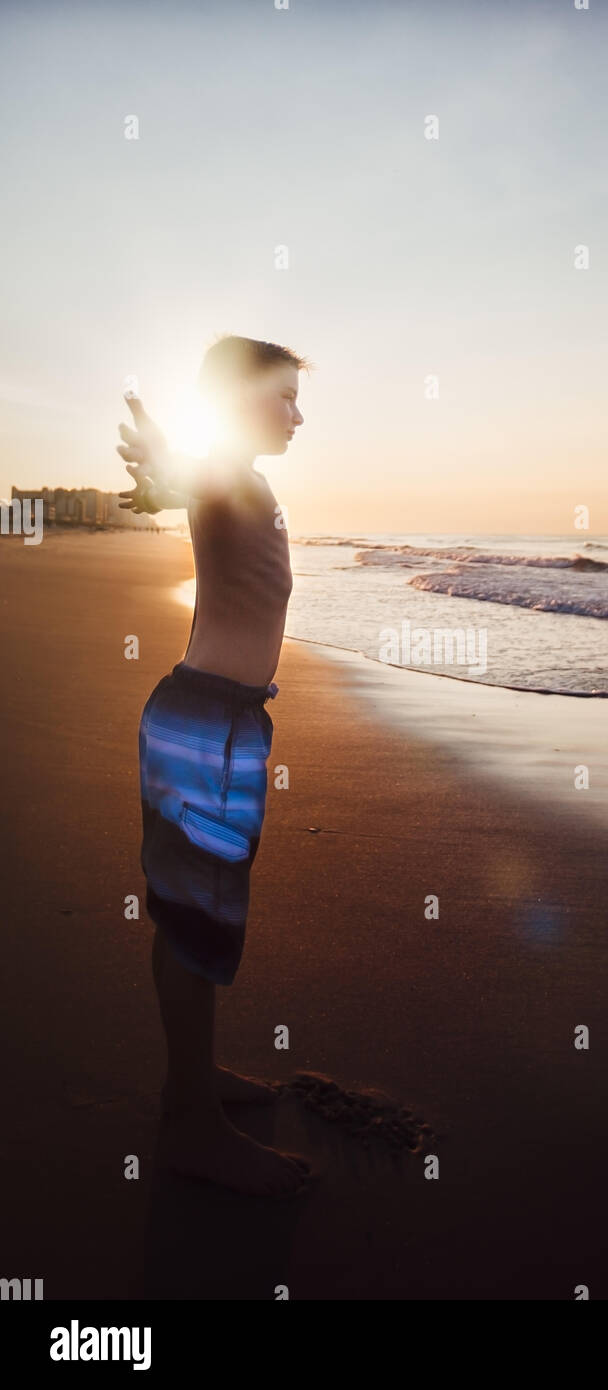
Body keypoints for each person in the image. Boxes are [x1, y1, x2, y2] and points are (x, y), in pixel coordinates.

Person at [117, 335, 314, 1196]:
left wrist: (166, 475)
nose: (298, 415)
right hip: (210, 728)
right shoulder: (229, 472)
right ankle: (194, 1127)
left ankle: (189, 1087)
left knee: (187, 917)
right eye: (284, 398)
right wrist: (166, 466)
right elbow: (192, 478)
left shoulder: (246, 484)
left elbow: (188, 485)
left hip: (208, 718)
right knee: (196, 923)